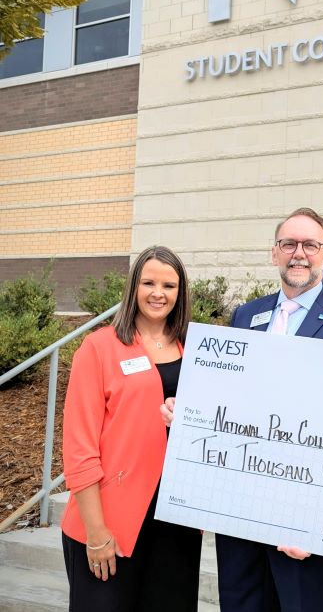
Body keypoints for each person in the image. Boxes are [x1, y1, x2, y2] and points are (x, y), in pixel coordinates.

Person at [163, 208, 323, 612]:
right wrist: (192, 410)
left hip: (306, 519)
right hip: (239, 509)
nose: (299, 253)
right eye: (289, 244)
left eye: (310, 245)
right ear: (274, 252)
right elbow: (228, 397)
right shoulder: (246, 316)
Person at [61, 245, 201, 611]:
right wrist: (95, 532)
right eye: (149, 283)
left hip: (176, 521)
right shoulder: (99, 348)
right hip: (110, 520)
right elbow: (79, 448)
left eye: (169, 285)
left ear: (180, 292)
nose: (158, 293)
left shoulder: (197, 351)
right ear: (133, 287)